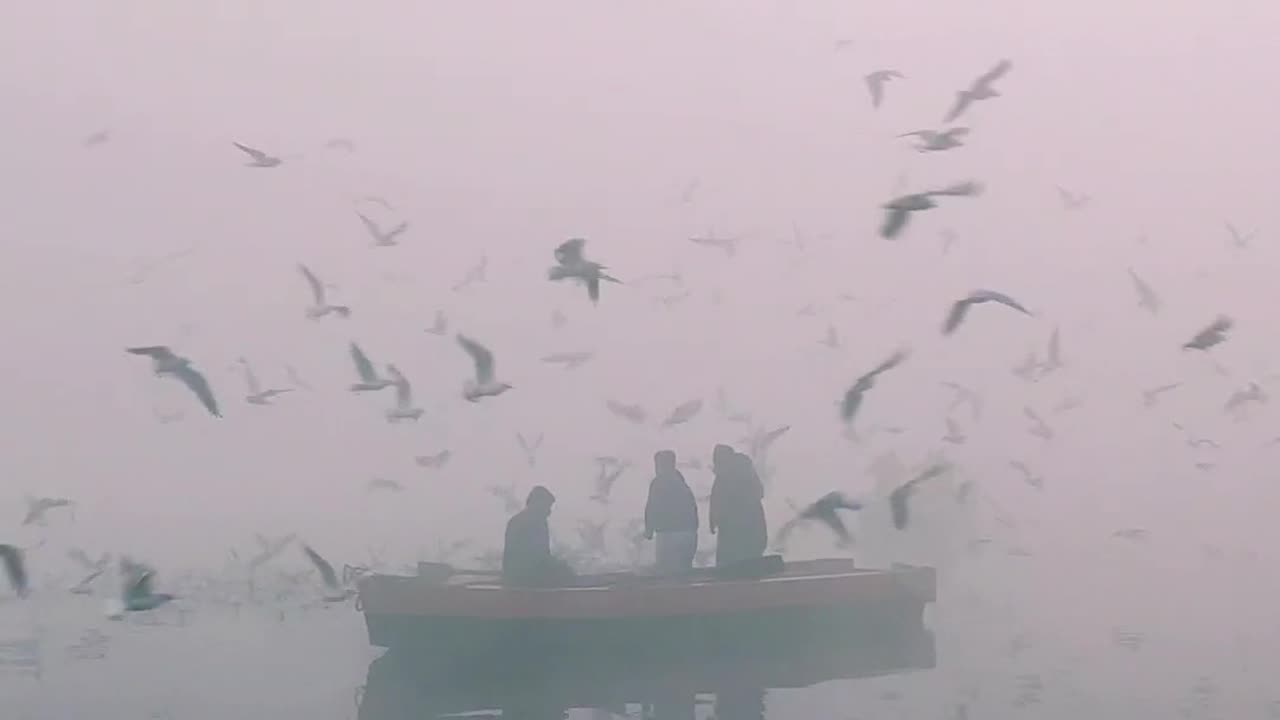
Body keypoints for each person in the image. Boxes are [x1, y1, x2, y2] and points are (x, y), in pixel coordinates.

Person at [709, 445, 768, 567]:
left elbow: (717, 501)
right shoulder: (748, 472)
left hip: (733, 536)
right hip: (754, 531)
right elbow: (760, 493)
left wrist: (713, 520)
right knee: (752, 570)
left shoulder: (723, 476)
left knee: (729, 572)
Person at [503, 486, 574, 586]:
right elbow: (537, 557)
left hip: (521, 575)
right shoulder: (529, 523)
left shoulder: (526, 521)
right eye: (547, 506)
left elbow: (543, 555)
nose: (549, 511)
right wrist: (561, 567)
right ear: (537, 504)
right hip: (524, 578)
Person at [644, 450, 699, 575]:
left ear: (659, 464)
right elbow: (693, 508)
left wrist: (649, 531)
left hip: (668, 535)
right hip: (689, 535)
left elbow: (652, 508)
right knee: (684, 574)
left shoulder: (658, 482)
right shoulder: (682, 483)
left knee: (666, 574)